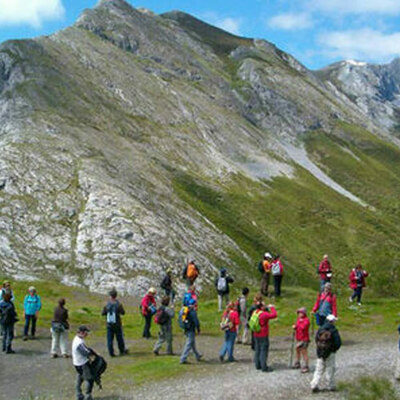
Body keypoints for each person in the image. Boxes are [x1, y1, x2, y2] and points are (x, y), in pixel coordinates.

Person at [310, 314, 342, 393]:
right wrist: (333, 349)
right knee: (330, 369)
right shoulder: (333, 330)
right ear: (332, 321)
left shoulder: (320, 329)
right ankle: (330, 385)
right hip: (330, 353)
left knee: (318, 370)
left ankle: (314, 384)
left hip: (320, 353)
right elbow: (338, 343)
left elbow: (316, 340)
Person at [251, 302, 277, 372]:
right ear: (261, 307)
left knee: (257, 350)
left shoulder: (255, 312)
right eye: (264, 305)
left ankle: (257, 365)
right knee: (263, 350)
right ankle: (264, 367)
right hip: (263, 334)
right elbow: (274, 315)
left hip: (256, 333)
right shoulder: (264, 314)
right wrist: (272, 307)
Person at [72, 325, 96, 400]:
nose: (87, 334)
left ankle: (78, 394)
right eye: (86, 332)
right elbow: (85, 352)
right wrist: (92, 354)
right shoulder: (79, 343)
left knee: (80, 377)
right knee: (90, 379)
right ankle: (87, 395)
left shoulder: (77, 339)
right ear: (82, 332)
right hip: (82, 364)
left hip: (77, 363)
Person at [101, 289, 127, 357]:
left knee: (110, 339)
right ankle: (122, 350)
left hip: (109, 324)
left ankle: (111, 352)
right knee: (119, 338)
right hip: (117, 324)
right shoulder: (118, 304)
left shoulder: (107, 304)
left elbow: (103, 313)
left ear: (110, 296)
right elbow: (123, 312)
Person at [180, 299, 202, 364]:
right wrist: (198, 328)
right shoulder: (192, 311)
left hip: (186, 328)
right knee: (189, 343)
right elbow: (196, 321)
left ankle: (197, 355)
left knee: (192, 343)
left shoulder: (184, 309)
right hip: (191, 329)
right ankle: (183, 358)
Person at [293, 307, 310, 373]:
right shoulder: (299, 319)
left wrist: (298, 324)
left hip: (304, 339)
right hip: (298, 338)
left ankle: (306, 366)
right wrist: (295, 326)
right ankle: (297, 362)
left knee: (304, 352)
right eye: (298, 313)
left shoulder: (306, 320)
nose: (299, 314)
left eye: (300, 313)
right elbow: (297, 325)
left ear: (304, 313)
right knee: (297, 350)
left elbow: (303, 327)